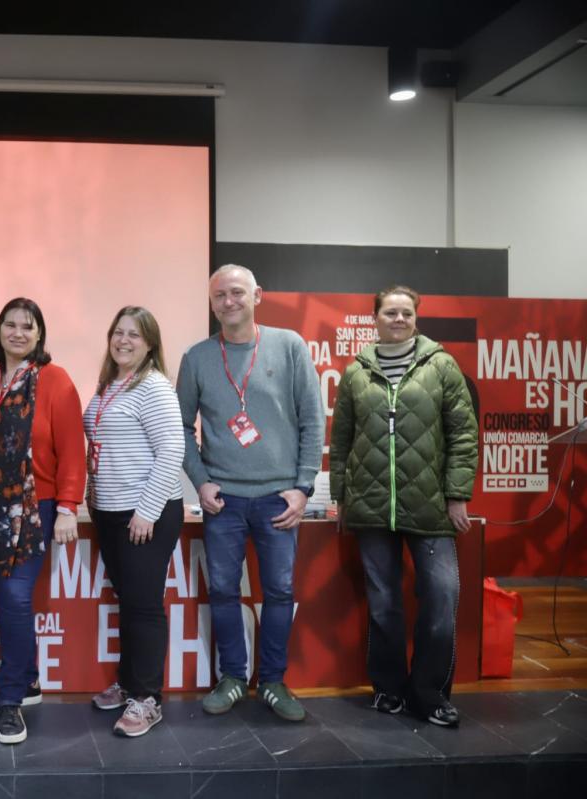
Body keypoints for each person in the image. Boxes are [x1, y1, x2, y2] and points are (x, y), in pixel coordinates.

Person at [176, 264, 323, 723]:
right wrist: (201, 481)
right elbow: (180, 428)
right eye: (220, 295)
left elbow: (312, 421)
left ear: (257, 295)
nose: (229, 302)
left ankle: (273, 681)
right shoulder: (198, 357)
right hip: (224, 501)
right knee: (222, 591)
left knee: (279, 592)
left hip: (279, 499)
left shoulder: (290, 346)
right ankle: (234, 677)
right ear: (211, 302)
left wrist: (302, 487)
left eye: (237, 292)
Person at [330, 285, 478, 728]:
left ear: (416, 318)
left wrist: (457, 495)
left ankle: (429, 693)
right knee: (384, 603)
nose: (398, 319)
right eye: (390, 312)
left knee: (441, 596)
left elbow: (463, 434)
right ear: (374, 318)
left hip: (431, 507)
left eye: (406, 313)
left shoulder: (442, 366)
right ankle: (389, 689)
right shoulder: (356, 372)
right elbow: (341, 442)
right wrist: (341, 496)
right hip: (372, 507)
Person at [0, 297, 86, 744]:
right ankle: (30, 678)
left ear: (40, 335)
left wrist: (66, 507)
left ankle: (11, 700)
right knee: (9, 595)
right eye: (11, 324)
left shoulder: (54, 380)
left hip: (36, 506)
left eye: (28, 326)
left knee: (16, 598)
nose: (18, 333)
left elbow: (72, 451)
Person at [85, 306, 185, 738]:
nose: (124, 340)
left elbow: (171, 451)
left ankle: (147, 699)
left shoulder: (155, 387)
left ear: (150, 345)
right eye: (118, 332)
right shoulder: (110, 385)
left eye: (134, 335)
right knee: (129, 600)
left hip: (146, 513)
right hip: (109, 512)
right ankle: (128, 684)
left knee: (143, 606)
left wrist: (147, 509)